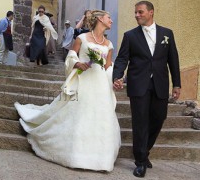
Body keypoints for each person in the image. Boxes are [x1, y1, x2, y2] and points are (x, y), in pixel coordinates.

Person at [15, 10, 121, 171]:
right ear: (100, 19)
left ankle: (101, 159)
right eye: (109, 18)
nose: (111, 21)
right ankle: (75, 154)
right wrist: (78, 64)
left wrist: (116, 80)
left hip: (100, 84)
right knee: (81, 113)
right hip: (84, 80)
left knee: (101, 117)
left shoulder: (109, 44)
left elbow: (108, 66)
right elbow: (71, 56)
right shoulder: (82, 38)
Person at [113, 1, 181, 178]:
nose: (137, 15)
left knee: (159, 117)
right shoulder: (130, 36)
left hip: (160, 83)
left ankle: (145, 150)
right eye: (135, 12)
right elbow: (122, 59)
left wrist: (177, 84)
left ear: (151, 12)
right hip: (138, 84)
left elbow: (173, 59)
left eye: (140, 12)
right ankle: (140, 160)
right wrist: (117, 76)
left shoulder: (167, 34)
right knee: (140, 122)